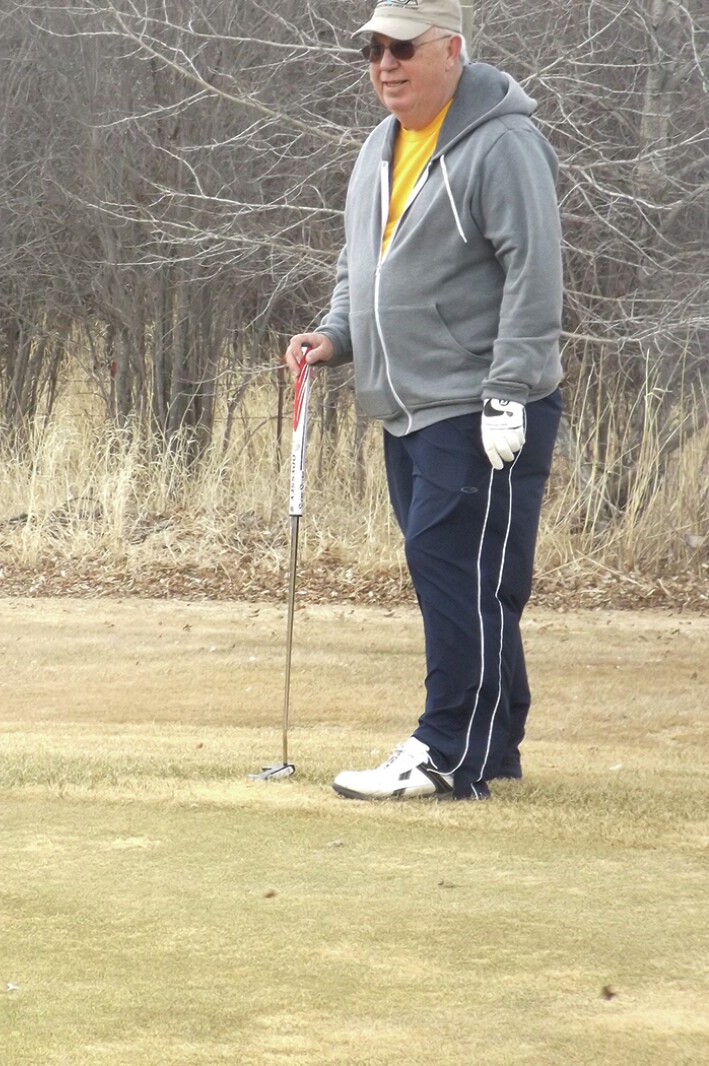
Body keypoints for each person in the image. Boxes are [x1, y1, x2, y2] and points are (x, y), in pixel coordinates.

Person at [284, 0, 563, 800]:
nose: (385, 65)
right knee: (470, 577)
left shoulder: (503, 142)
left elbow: (533, 273)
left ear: (452, 49)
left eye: (402, 48)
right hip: (405, 407)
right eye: (373, 50)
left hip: (479, 408)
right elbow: (359, 263)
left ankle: (446, 750)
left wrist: (509, 391)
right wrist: (334, 336)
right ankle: (493, 740)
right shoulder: (382, 145)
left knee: (454, 575)